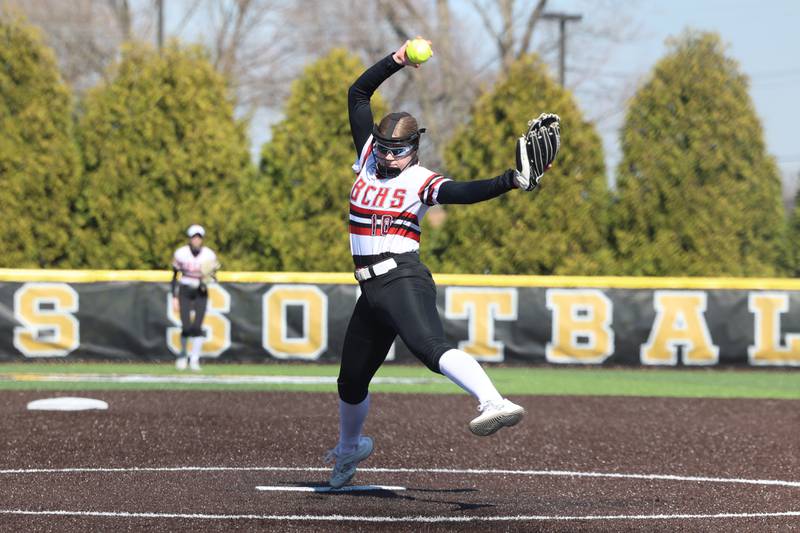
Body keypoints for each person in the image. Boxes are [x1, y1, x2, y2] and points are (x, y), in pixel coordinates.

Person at [324, 40, 559, 489]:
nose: (389, 156)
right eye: (385, 148)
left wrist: (512, 180)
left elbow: (463, 191)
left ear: (414, 147)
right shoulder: (368, 161)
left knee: (429, 348)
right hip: (370, 291)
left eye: (399, 149)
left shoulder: (420, 180)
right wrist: (399, 59)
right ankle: (350, 448)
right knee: (350, 381)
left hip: (401, 278)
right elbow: (357, 93)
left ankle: (492, 400)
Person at [170, 224, 220, 371]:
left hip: (201, 290)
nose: (196, 240)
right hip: (185, 289)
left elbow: (213, 276)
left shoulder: (209, 255)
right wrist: (174, 296)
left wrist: (209, 278)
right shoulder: (181, 253)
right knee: (186, 326)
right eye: (194, 237)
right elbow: (174, 276)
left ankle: (194, 359)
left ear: (202, 239)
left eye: (199, 237)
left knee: (197, 326)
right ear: (190, 238)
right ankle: (183, 355)